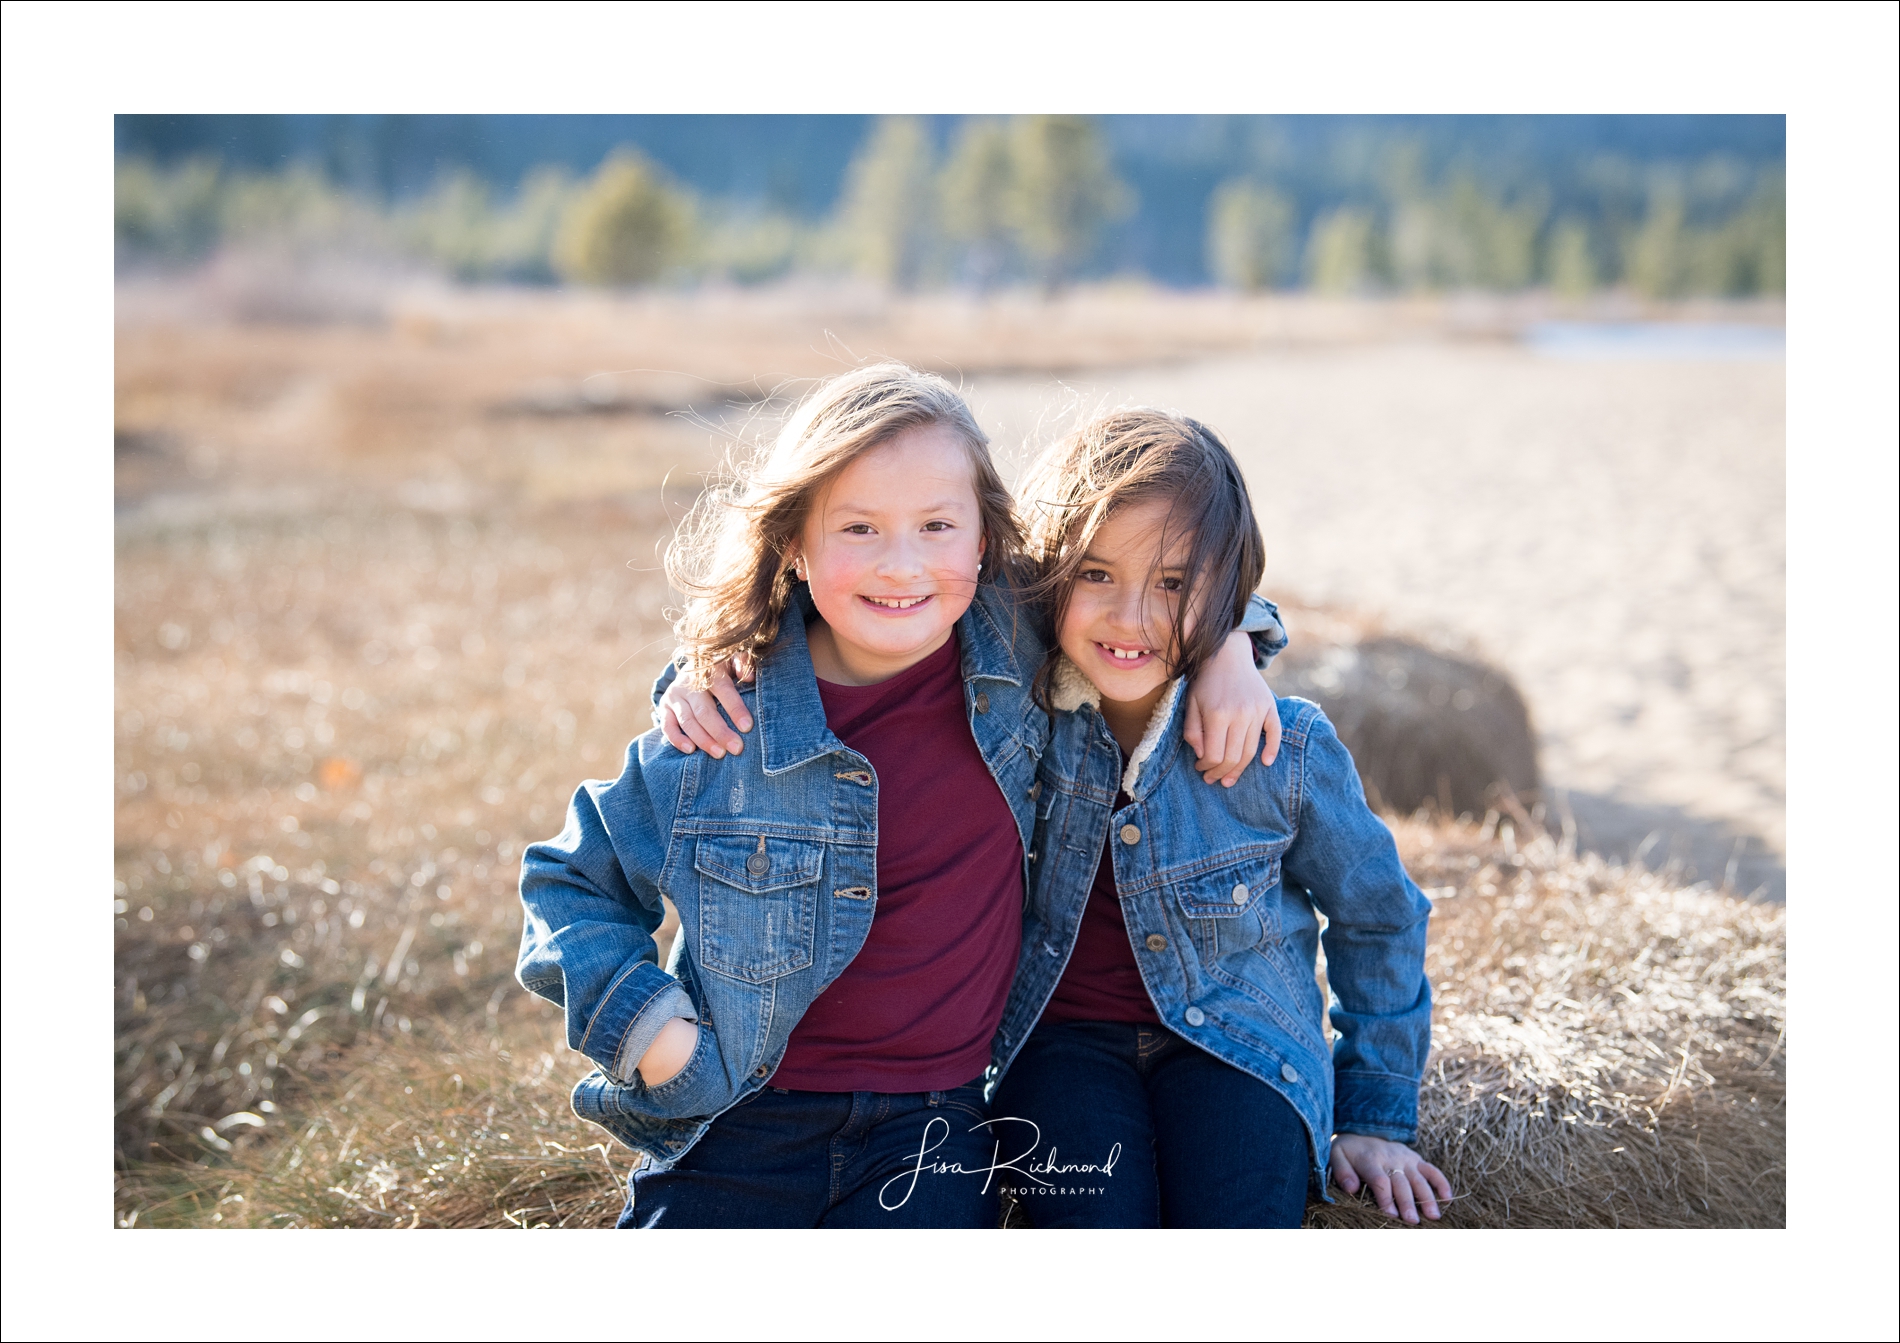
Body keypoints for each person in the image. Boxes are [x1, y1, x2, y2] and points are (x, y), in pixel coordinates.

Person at [517, 364, 1283, 1228]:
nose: (902, 563)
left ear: (986, 540)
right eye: (859, 528)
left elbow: (1153, 580)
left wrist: (1231, 646)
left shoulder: (1012, 643)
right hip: (738, 1121)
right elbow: (566, 882)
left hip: (935, 1128)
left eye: (936, 525)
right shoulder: (722, 728)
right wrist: (655, 1037)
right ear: (794, 544)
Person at [986, 407, 1452, 1228]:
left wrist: (1376, 1114)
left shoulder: (1285, 745)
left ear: (1225, 590)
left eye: (1172, 584)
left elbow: (1379, 915)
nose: (1132, 617)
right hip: (1060, 1041)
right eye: (1096, 575)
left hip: (1242, 1044)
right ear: (1051, 576)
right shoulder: (1017, 715)